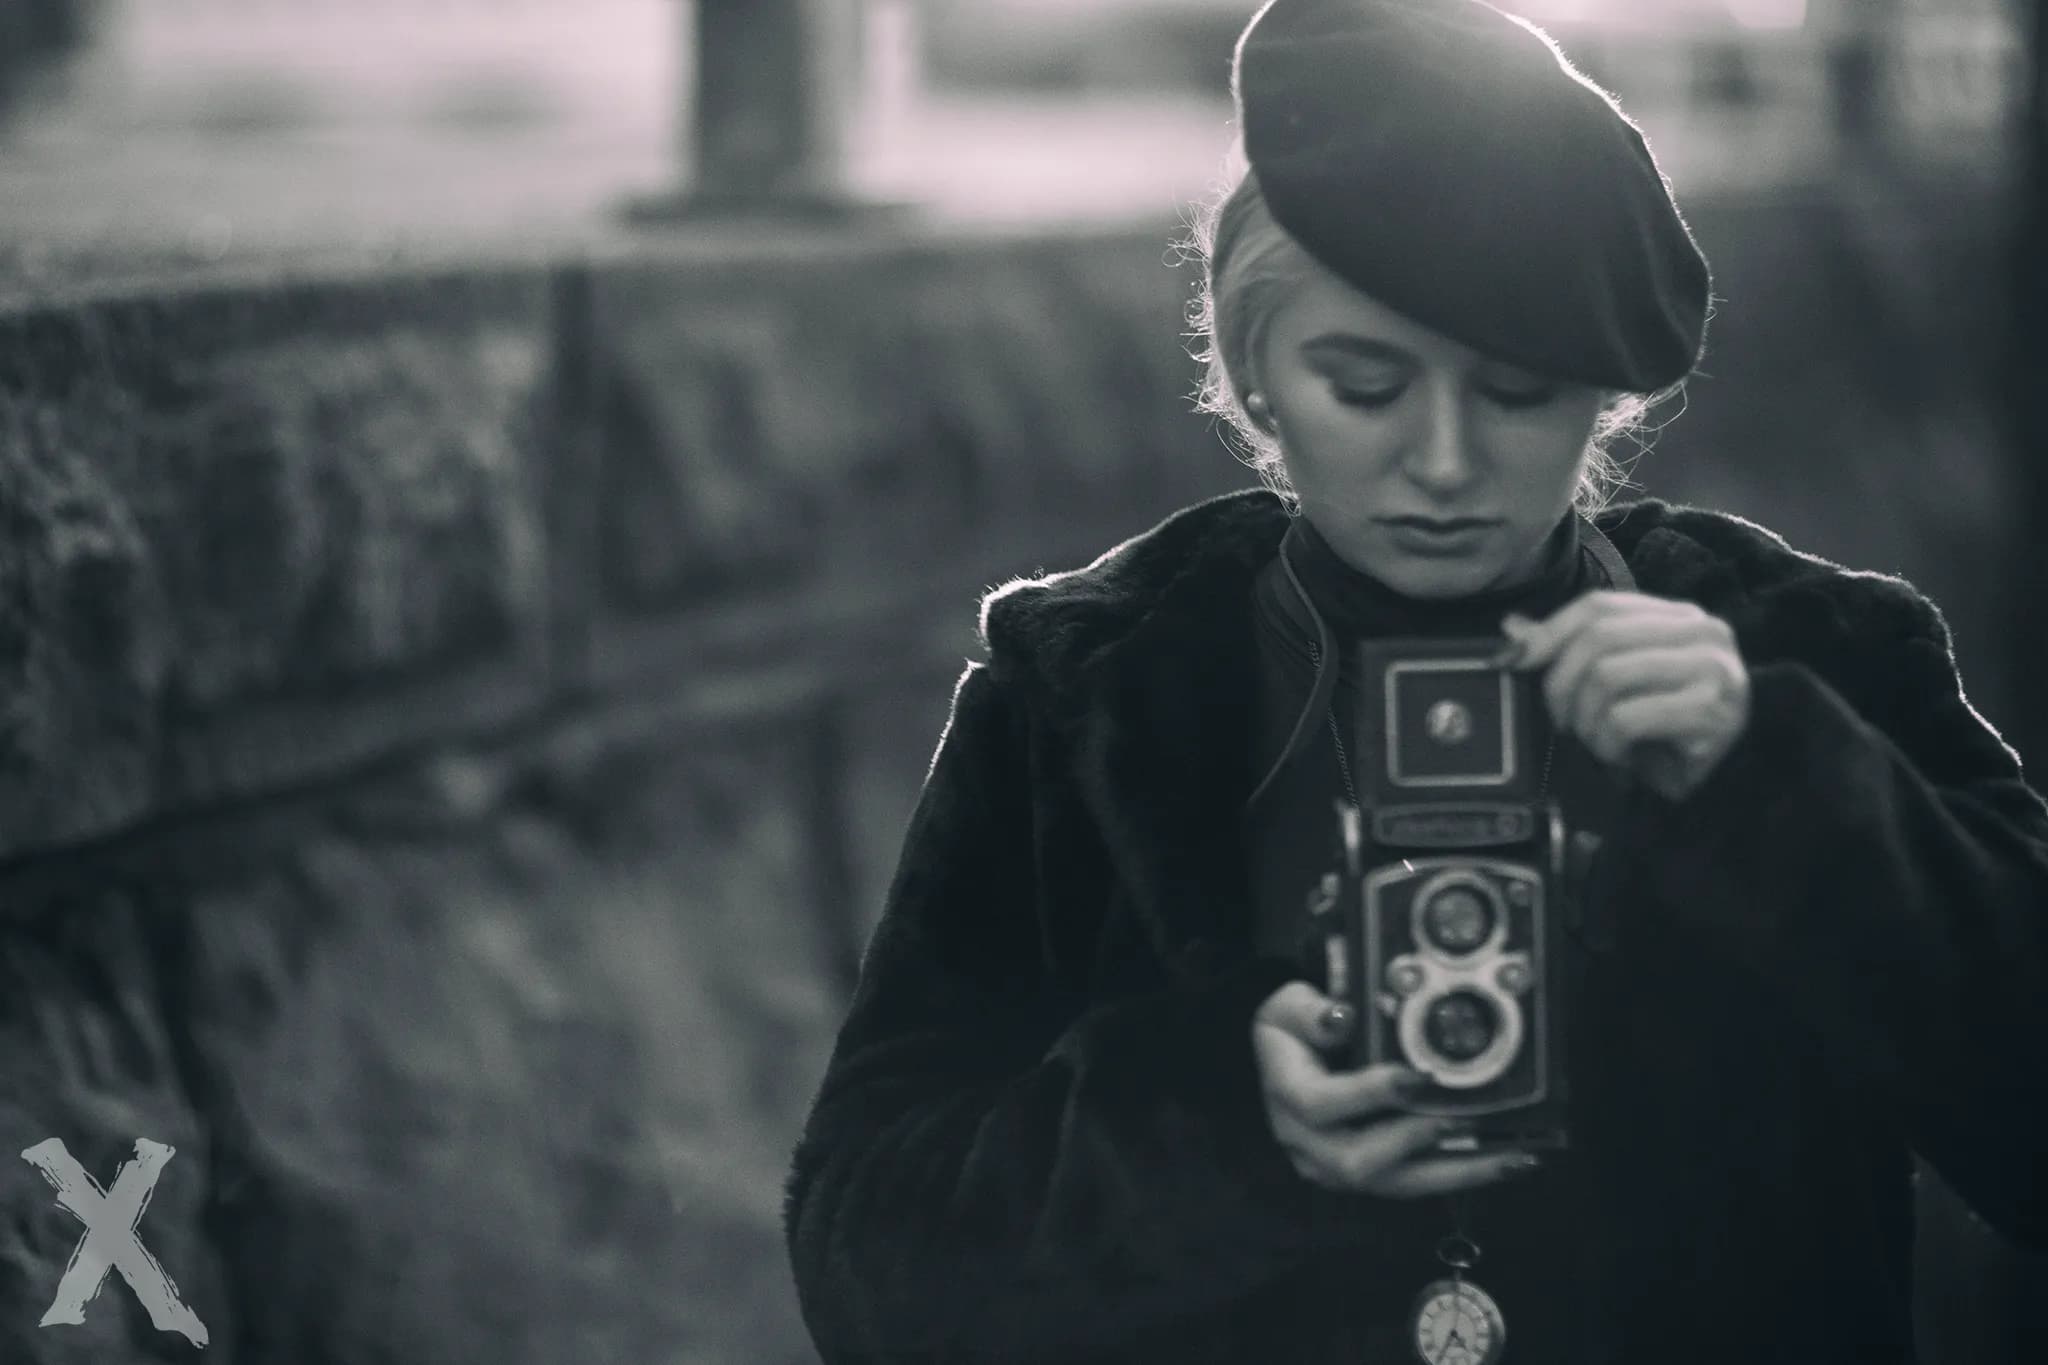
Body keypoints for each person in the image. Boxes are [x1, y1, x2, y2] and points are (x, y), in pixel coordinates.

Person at [781, 1, 2048, 1361]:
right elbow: (866, 1255)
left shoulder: (1817, 658)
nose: (1442, 461)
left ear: (1603, 395)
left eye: (1513, 394)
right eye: (1366, 384)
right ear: (1256, 368)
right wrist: (1217, 1125)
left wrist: (1787, 785)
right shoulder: (1090, 692)